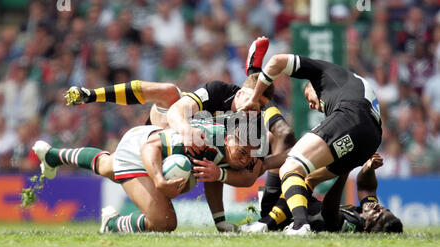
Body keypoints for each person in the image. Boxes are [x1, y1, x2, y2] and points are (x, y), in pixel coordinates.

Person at [63, 37, 296, 231]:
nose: (256, 109)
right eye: (255, 102)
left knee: (108, 167)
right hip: (167, 127)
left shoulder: (252, 125)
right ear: (243, 91)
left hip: (184, 150)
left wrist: (219, 186)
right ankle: (91, 95)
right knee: (170, 92)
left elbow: (249, 173)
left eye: (261, 106)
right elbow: (177, 110)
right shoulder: (218, 90)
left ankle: (55, 156)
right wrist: (185, 130)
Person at [241, 42, 383, 235]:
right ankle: (271, 223)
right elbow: (309, 181)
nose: (311, 106)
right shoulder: (346, 86)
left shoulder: (322, 72)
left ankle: (301, 225)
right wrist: (267, 222)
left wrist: (254, 96)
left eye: (308, 98)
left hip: (351, 117)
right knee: (301, 174)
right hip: (369, 138)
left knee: (290, 166)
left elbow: (276, 61)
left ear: (312, 85)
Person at [32, 119, 261, 234]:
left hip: (151, 147)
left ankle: (52, 155)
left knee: (105, 165)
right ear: (230, 138)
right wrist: (160, 180)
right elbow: (150, 147)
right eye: (242, 153)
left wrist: (220, 222)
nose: (244, 161)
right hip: (142, 149)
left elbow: (214, 179)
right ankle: (112, 224)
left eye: (249, 158)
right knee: (165, 222)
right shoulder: (204, 139)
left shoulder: (229, 148)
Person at [239, 153, 403, 234]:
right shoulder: (367, 212)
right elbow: (366, 187)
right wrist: (368, 167)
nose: (377, 207)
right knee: (289, 154)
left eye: (378, 214)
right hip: (294, 196)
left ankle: (267, 220)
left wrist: (343, 172)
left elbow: (329, 213)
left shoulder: (354, 224)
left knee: (294, 161)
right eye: (384, 209)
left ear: (368, 226)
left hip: (283, 212)